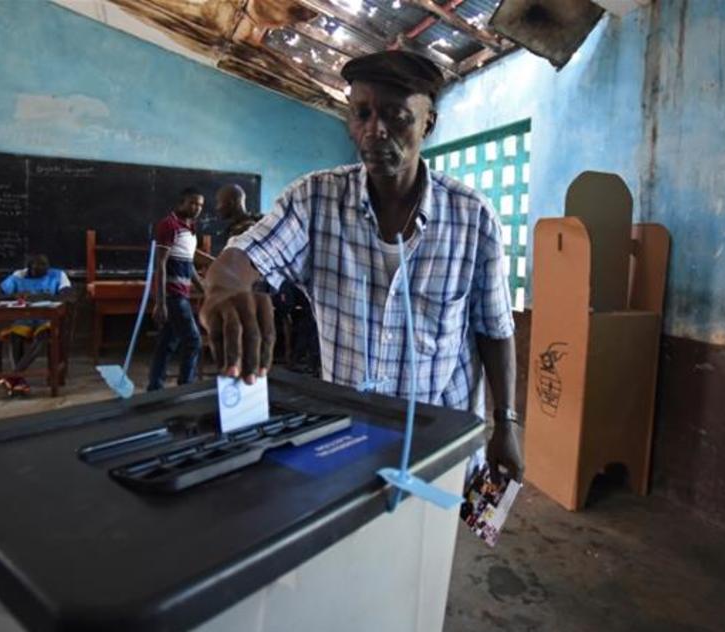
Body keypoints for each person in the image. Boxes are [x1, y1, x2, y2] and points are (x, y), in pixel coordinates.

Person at [199, 51, 524, 481]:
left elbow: (494, 332)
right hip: (348, 439)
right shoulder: (314, 202)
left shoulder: (472, 217)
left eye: (396, 116)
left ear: (428, 122)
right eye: (362, 113)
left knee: (427, 546)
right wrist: (224, 289)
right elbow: (244, 257)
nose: (375, 130)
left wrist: (506, 423)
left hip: (438, 444)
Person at [147, 187, 206, 391]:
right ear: (181, 202)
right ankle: (185, 387)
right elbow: (160, 265)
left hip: (182, 294)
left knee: (166, 344)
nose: (197, 208)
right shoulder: (169, 225)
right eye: (192, 203)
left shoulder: (190, 228)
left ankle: (154, 387)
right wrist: (160, 303)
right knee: (193, 341)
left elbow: (188, 264)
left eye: (200, 205)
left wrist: (203, 288)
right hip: (173, 296)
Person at [0, 253, 73, 396]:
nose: (44, 269)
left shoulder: (57, 275)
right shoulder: (19, 276)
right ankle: (18, 382)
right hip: (25, 319)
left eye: (45, 266)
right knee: (15, 336)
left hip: (48, 319)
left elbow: (67, 296)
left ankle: (13, 376)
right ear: (29, 267)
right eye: (39, 267)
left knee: (43, 336)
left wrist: (42, 296)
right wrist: (15, 296)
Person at [199, 184, 261, 255]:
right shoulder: (235, 226)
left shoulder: (245, 229)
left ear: (231, 203)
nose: (217, 208)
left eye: (219, 202)